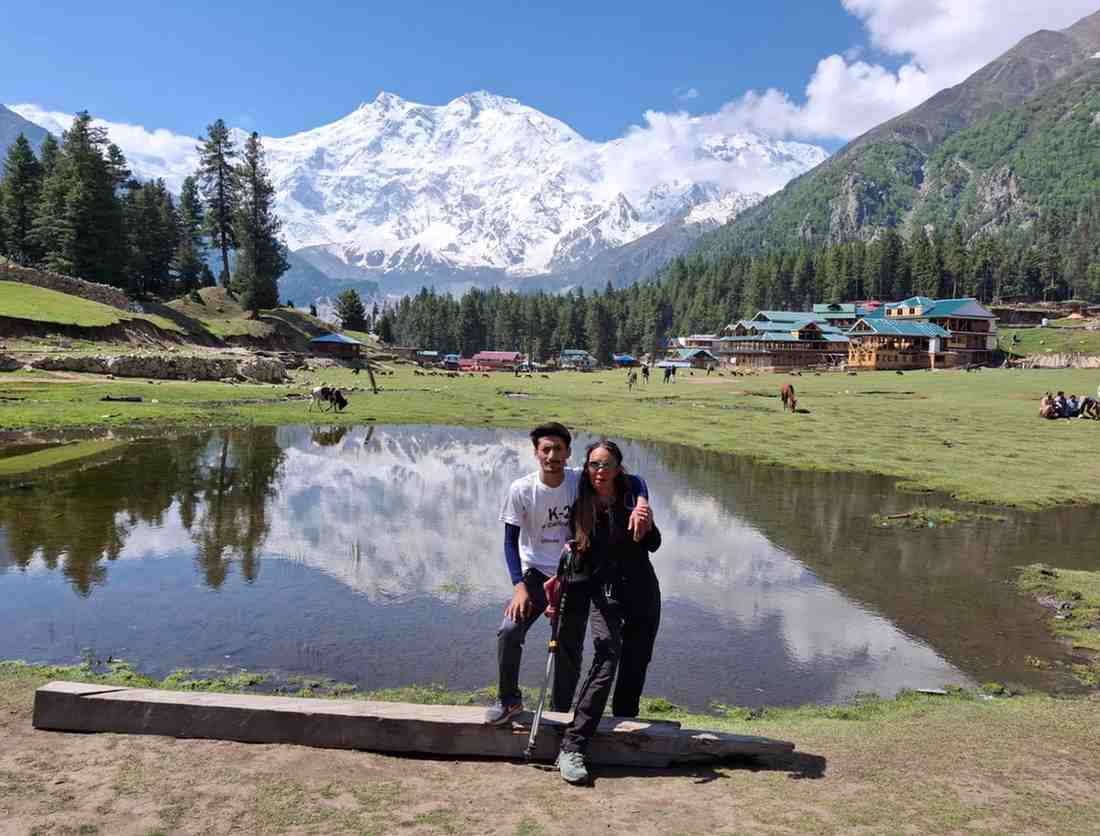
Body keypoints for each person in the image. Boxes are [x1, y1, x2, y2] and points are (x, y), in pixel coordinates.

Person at [485, 423, 652, 726]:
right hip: (535, 575)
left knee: (568, 649)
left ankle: (560, 711)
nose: (552, 456)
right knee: (509, 631)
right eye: (546, 450)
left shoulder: (579, 479)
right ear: (536, 453)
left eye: (558, 449)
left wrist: (642, 503)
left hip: (575, 575)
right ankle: (508, 699)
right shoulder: (521, 489)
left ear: (568, 453)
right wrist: (518, 586)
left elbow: (634, 479)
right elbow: (510, 541)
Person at [556, 439, 662, 785]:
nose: (599, 471)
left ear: (618, 468)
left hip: (644, 592)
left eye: (606, 464)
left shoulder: (633, 496)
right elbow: (578, 556)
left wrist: (646, 522)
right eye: (593, 465)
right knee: (606, 658)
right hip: (605, 594)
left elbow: (654, 545)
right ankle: (572, 746)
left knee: (635, 663)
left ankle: (623, 731)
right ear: (586, 469)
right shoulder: (579, 502)